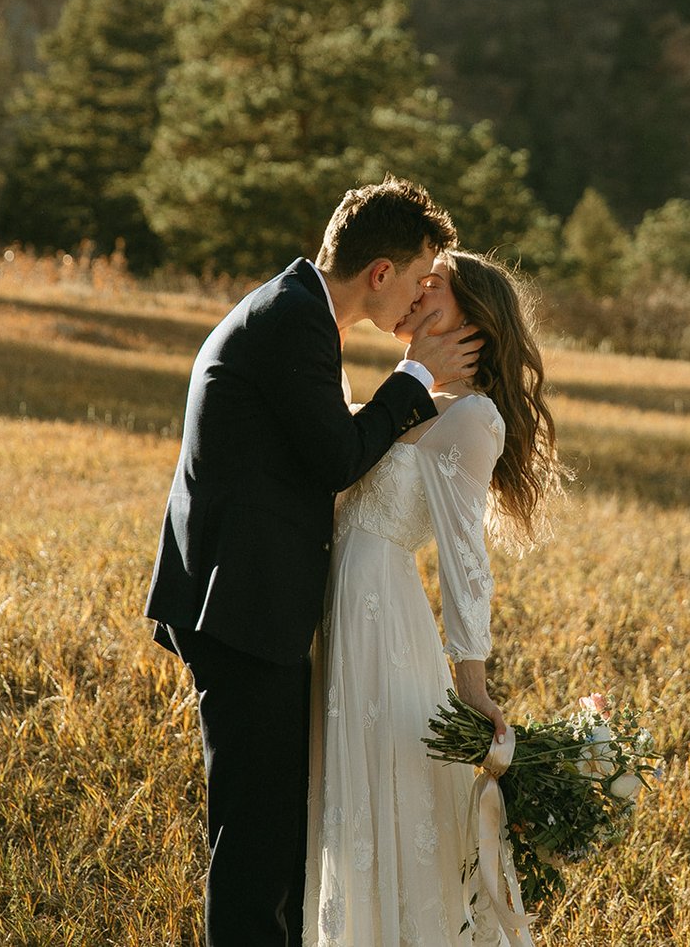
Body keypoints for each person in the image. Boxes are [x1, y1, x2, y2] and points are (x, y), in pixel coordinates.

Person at [144, 178, 483, 947]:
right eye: (419, 277)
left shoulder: (297, 311)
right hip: (241, 610)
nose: (419, 300)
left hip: (245, 602)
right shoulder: (296, 321)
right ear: (379, 274)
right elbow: (337, 457)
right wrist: (417, 379)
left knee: (274, 835)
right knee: (256, 843)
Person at [303, 249, 557, 947]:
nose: (415, 296)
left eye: (433, 289)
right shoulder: (408, 391)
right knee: (339, 797)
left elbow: (464, 558)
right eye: (417, 284)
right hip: (334, 604)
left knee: (385, 795)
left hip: (380, 614)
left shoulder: (472, 418)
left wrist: (470, 683)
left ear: (474, 319)